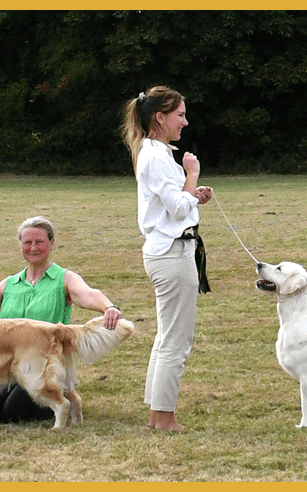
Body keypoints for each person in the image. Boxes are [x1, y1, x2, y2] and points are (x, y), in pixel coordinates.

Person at [0, 216, 123, 425]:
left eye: (39, 242)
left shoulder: (64, 278)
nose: (33, 247)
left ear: (52, 242)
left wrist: (108, 307)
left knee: (13, 413)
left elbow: (88, 294)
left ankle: (63, 395)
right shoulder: (9, 284)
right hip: (5, 365)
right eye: (27, 242)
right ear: (21, 245)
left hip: (43, 364)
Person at [122, 85, 212, 431]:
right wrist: (192, 175)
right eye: (180, 115)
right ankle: (163, 417)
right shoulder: (157, 155)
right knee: (176, 340)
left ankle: (158, 411)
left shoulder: (156, 152)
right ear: (160, 118)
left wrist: (194, 196)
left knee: (167, 337)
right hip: (172, 255)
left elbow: (175, 201)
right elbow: (175, 208)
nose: (185, 122)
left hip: (173, 252)